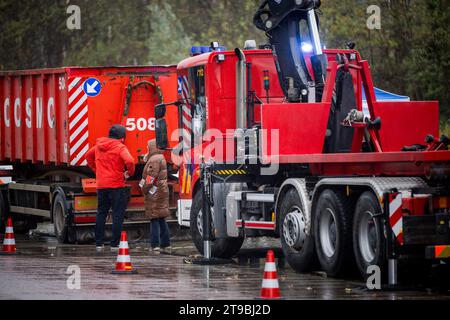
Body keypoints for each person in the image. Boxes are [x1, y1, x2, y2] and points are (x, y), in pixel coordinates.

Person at [86, 124, 135, 251]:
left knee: (101, 213)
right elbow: (129, 161)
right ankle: (114, 244)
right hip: (116, 185)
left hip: (101, 185)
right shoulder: (120, 147)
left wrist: (96, 170)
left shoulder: (98, 146)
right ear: (122, 138)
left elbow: (88, 156)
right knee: (117, 214)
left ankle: (99, 244)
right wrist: (129, 173)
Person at [141, 139, 171, 252]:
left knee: (154, 217)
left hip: (155, 192)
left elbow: (150, 178)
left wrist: (144, 189)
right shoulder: (160, 157)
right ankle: (166, 244)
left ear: (152, 147)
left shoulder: (154, 160)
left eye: (148, 147)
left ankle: (155, 245)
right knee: (161, 217)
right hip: (162, 190)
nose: (147, 149)